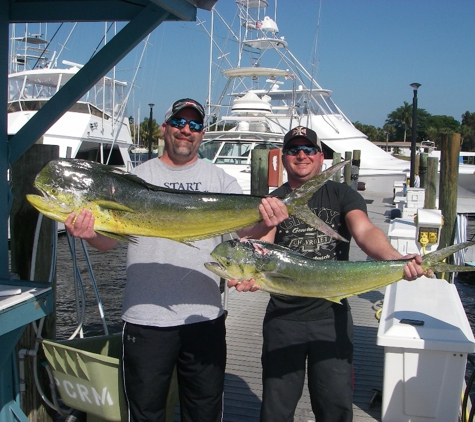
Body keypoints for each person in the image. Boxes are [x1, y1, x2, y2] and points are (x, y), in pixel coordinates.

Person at [64, 98, 286, 422]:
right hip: (145, 320)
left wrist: (269, 222)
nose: (186, 130)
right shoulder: (132, 179)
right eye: (179, 123)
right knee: (145, 414)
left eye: (194, 125)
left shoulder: (221, 182)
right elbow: (109, 241)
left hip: (204, 318)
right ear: (165, 129)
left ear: (202, 135)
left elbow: (248, 237)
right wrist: (88, 233)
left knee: (204, 413)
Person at [228, 126, 427, 422]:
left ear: (321, 156)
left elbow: (365, 232)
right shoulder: (273, 202)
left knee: (335, 406)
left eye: (308, 149)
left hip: (330, 318)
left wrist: (396, 259)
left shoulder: (341, 194)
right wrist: (250, 275)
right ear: (283, 158)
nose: (301, 155)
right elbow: (263, 245)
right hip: (283, 320)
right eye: (294, 150)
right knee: (276, 409)